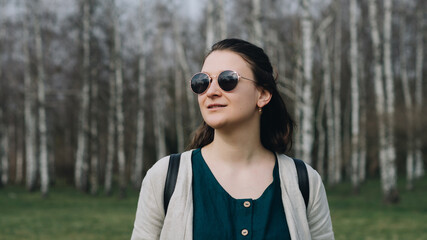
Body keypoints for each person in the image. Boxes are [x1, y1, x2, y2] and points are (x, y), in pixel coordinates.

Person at [131, 38, 334, 240]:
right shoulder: (165, 177)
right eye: (202, 82)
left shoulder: (304, 182)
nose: (211, 92)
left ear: (262, 94)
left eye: (227, 80)